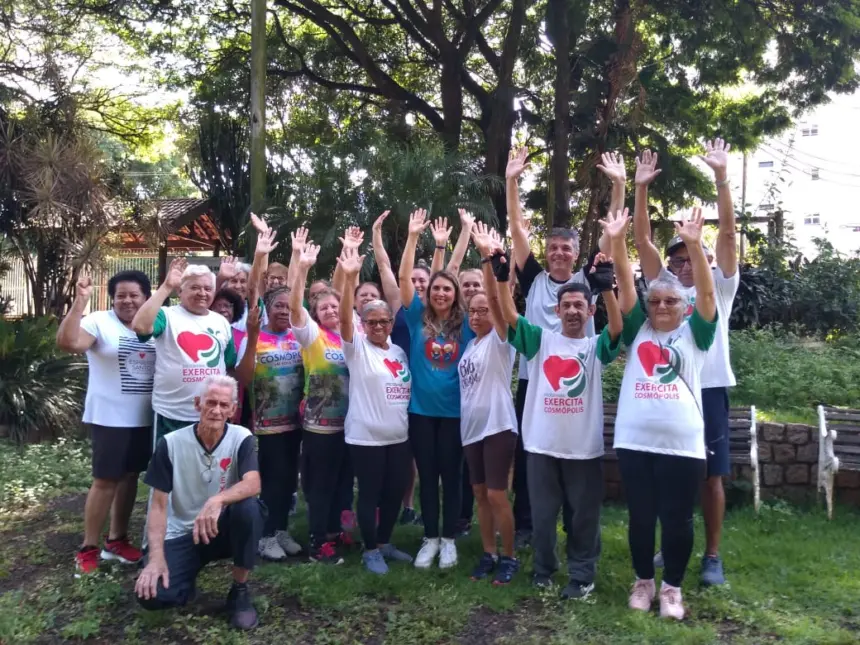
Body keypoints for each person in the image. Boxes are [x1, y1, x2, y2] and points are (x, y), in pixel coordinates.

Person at [633, 142, 738, 586]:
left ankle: (712, 555)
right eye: (675, 258)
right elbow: (640, 241)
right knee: (664, 475)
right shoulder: (665, 293)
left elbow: (729, 236)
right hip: (666, 392)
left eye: (689, 255)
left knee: (711, 476)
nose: (682, 263)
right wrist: (639, 190)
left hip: (708, 390)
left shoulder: (720, 287)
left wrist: (720, 178)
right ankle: (668, 544)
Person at [608, 207, 717, 620]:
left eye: (671, 300)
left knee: (677, 520)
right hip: (635, 441)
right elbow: (624, 282)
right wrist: (618, 241)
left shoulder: (696, 332)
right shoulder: (639, 329)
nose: (662, 306)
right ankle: (642, 582)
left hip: (683, 445)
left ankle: (671, 588)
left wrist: (693, 245)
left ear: (684, 306)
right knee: (640, 517)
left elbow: (706, 294)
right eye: (656, 300)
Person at [505, 148, 617, 548]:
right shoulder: (533, 278)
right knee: (529, 455)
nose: (558, 253)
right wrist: (512, 180)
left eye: (565, 249)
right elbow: (517, 231)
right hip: (533, 381)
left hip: (577, 384)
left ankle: (574, 529)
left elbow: (612, 235)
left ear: (574, 253)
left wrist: (618, 186)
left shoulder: (588, 282)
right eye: (552, 247)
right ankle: (527, 527)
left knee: (575, 459)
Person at [135, 375, 265, 631]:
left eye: (224, 405)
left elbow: (253, 483)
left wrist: (217, 499)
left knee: (249, 508)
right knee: (151, 596)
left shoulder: (242, 437)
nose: (217, 410)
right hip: (183, 533)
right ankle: (185, 580)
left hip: (223, 528)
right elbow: (158, 506)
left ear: (233, 409)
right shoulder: (170, 444)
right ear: (197, 404)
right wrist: (156, 557)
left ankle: (239, 592)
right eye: (211, 403)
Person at [56, 270, 156, 575]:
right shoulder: (99, 321)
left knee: (129, 478)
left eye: (134, 295)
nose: (127, 301)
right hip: (110, 417)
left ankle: (117, 540)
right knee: (105, 481)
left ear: (146, 298)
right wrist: (79, 303)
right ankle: (88, 547)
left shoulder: (155, 323)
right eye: (120, 295)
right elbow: (69, 342)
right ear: (112, 298)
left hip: (145, 417)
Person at [399, 209, 475, 569]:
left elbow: (456, 267)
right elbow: (403, 277)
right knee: (428, 476)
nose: (442, 292)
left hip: (455, 412)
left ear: (455, 293)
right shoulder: (416, 318)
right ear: (427, 294)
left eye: (447, 288)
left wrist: (463, 234)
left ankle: (449, 539)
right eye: (436, 288)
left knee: (452, 476)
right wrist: (414, 237)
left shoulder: (468, 326)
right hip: (421, 413)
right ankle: (430, 537)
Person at [338, 246, 415, 574]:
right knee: (369, 494)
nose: (379, 326)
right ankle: (370, 550)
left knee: (395, 492)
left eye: (384, 320)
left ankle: (385, 542)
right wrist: (350, 279)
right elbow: (344, 318)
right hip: (366, 436)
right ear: (364, 323)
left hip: (398, 437)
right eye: (372, 321)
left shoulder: (398, 351)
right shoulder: (356, 349)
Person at [231, 225, 304, 562]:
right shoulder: (256, 335)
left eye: (290, 308)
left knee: (289, 480)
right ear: (268, 309)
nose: (284, 312)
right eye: (278, 307)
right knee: (271, 479)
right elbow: (243, 377)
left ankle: (281, 529)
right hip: (266, 423)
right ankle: (264, 536)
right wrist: (261, 253)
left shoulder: (300, 337)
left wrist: (299, 260)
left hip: (296, 422)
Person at [457, 224, 519, 585]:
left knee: (497, 493)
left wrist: (487, 260)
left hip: (497, 427)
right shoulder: (471, 346)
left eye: (484, 310)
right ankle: (488, 552)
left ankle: (509, 557)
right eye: (473, 312)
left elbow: (498, 299)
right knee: (480, 493)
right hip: (471, 430)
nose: (478, 315)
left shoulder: (501, 340)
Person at [288, 237, 350, 564]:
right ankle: (317, 544)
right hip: (320, 426)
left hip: (350, 425)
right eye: (323, 307)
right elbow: (295, 306)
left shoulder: (356, 337)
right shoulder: (313, 337)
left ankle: (334, 533)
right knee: (321, 484)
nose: (329, 309)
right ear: (315, 314)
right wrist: (301, 267)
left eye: (334, 305)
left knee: (342, 483)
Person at [131, 259, 242, 440]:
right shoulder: (166, 315)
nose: (202, 293)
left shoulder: (221, 322)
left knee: (208, 467)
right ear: (180, 291)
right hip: (171, 415)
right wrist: (166, 286)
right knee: (169, 467)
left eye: (207, 289)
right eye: (195, 288)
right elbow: (140, 327)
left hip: (212, 416)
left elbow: (228, 364)